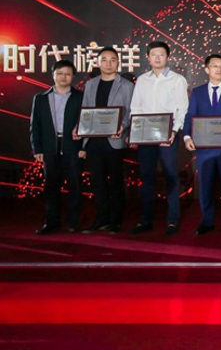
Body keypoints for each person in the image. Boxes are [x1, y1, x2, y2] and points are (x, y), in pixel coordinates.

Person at [129, 41, 189, 235]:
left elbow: (182, 109)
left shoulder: (177, 80)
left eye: (161, 54)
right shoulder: (142, 80)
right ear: (148, 57)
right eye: (153, 54)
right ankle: (145, 220)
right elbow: (135, 108)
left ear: (167, 57)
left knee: (171, 176)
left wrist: (174, 131)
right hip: (146, 136)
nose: (157, 57)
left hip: (168, 135)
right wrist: (136, 132)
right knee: (146, 177)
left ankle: (172, 220)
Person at [183, 54, 221, 235]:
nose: (219, 69)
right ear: (207, 69)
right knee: (205, 186)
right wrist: (187, 136)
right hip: (205, 149)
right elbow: (190, 115)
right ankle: (207, 221)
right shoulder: (198, 92)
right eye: (214, 66)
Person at [79, 47, 134, 234]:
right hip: (94, 141)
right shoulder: (91, 84)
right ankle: (101, 219)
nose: (108, 64)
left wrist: (122, 127)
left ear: (118, 63)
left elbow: (130, 112)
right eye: (104, 60)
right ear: (98, 63)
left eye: (112, 60)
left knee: (116, 182)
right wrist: (81, 131)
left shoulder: (126, 86)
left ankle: (115, 221)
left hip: (115, 141)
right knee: (97, 182)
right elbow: (86, 111)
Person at [29, 60, 84, 234]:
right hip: (50, 147)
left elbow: (87, 123)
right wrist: (37, 149)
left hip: (73, 146)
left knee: (75, 185)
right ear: (53, 75)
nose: (63, 77)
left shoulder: (80, 97)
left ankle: (72, 222)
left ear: (73, 76)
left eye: (67, 74)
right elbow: (35, 125)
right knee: (51, 186)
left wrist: (84, 147)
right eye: (60, 73)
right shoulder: (41, 98)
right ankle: (51, 222)